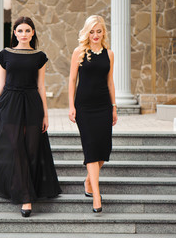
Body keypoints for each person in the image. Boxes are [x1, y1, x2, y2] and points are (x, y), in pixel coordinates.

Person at [0, 16, 61, 218]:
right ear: (14, 33)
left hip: (32, 105)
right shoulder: (5, 55)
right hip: (9, 104)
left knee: (30, 150)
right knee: (15, 148)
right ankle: (26, 198)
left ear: (33, 33)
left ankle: (23, 186)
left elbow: (41, 86)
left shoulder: (40, 56)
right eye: (20, 30)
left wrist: (46, 114)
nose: (23, 34)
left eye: (27, 31)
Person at [68, 15, 117, 213]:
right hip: (84, 107)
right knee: (91, 148)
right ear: (86, 32)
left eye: (99, 31)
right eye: (92, 31)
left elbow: (110, 82)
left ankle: (89, 181)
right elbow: (72, 80)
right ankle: (96, 195)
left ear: (103, 32)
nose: (95, 35)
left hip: (104, 106)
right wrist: (71, 106)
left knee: (104, 149)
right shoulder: (78, 52)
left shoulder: (109, 54)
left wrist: (114, 106)